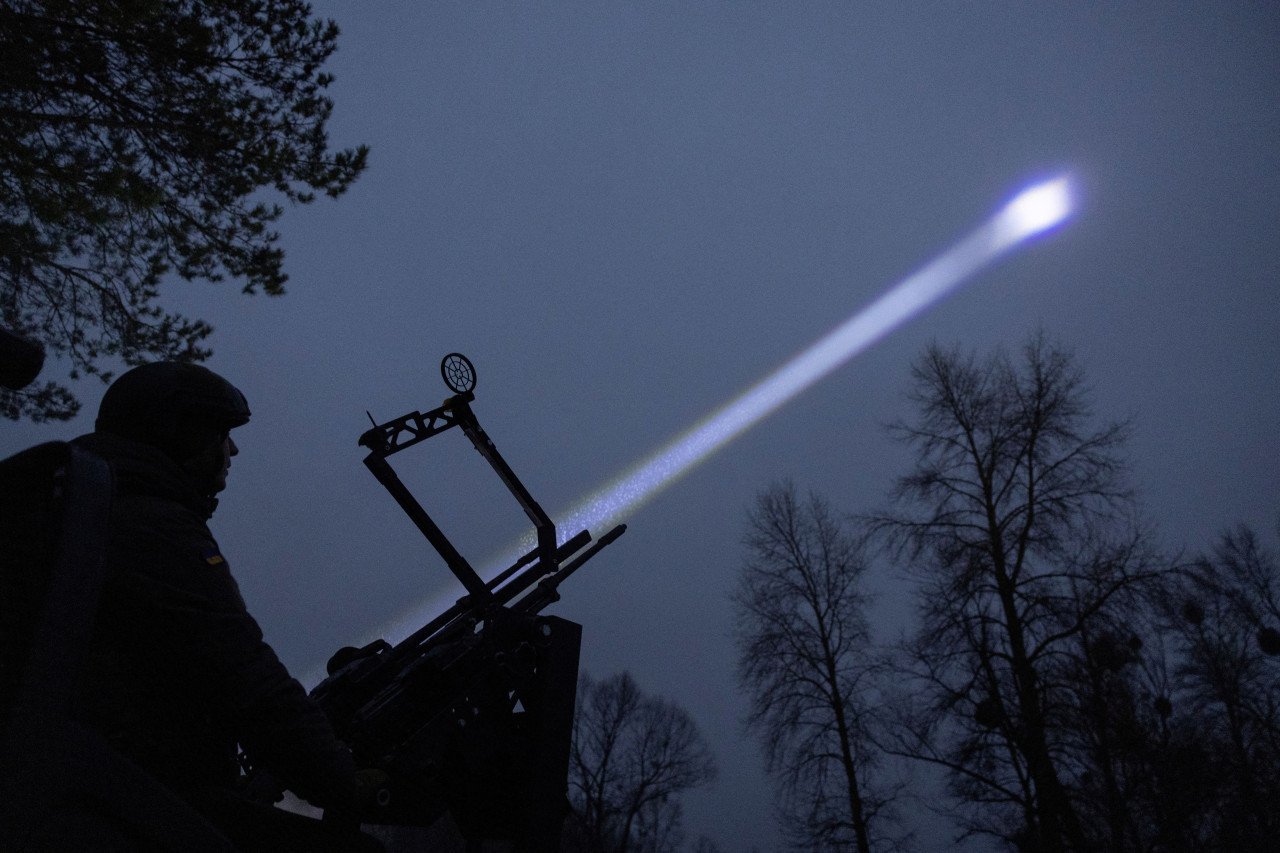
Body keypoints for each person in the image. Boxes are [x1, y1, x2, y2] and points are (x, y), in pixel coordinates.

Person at [20, 361, 382, 851]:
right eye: (220, 433)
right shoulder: (150, 525)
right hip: (126, 803)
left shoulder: (86, 511)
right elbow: (245, 679)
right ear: (179, 434)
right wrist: (342, 781)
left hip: (90, 793)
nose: (231, 449)